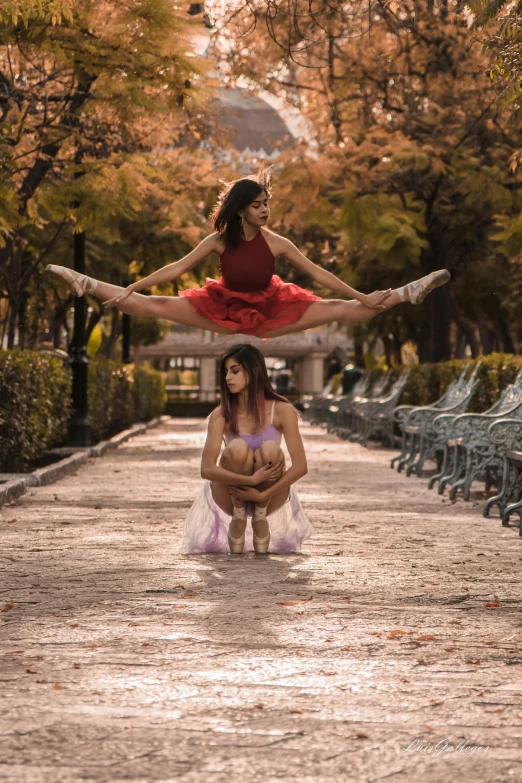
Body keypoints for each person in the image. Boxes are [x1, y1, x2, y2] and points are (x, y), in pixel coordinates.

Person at [46, 172, 451, 338]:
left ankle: (408, 292)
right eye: (257, 204)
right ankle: (85, 282)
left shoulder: (277, 242)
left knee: (346, 308)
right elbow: (177, 268)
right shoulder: (219, 240)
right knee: (147, 305)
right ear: (241, 208)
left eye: (266, 203)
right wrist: (132, 285)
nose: (264, 209)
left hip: (272, 310)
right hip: (222, 308)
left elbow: (319, 273)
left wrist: (362, 296)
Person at [179, 343, 313, 555]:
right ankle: (238, 516)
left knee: (270, 449)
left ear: (254, 371)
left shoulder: (282, 410)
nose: (227, 378)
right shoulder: (220, 415)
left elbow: (301, 466)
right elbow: (206, 469)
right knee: (238, 447)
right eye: (225, 372)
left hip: (270, 495)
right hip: (230, 494)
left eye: (235, 371)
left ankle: (260, 518)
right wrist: (251, 481)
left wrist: (263, 493)